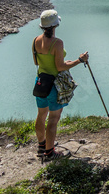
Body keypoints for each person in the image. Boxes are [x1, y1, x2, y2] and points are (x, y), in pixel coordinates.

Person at [33, 9, 88, 161]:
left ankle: (42, 146)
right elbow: (59, 67)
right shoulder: (57, 43)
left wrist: (66, 62)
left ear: (42, 26)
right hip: (54, 85)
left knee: (41, 115)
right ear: (56, 25)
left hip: (40, 82)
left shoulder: (36, 40)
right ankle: (50, 153)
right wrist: (79, 61)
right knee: (53, 118)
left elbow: (36, 62)